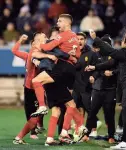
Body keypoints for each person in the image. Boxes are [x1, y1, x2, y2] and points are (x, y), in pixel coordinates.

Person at [89, 12, 126, 149]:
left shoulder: (123, 53)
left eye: (123, 40)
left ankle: (125, 142)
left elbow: (109, 50)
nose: (121, 42)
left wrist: (96, 39)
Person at [32, 14, 87, 145]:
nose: (58, 23)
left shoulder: (59, 38)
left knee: (36, 82)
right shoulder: (66, 38)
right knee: (65, 106)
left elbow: (47, 49)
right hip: (58, 74)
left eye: (59, 21)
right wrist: (68, 56)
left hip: (58, 72)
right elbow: (35, 54)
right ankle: (56, 136)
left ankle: (42, 107)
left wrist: (43, 47)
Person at [12, 34, 56, 144]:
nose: (46, 39)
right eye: (44, 38)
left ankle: (35, 128)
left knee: (38, 110)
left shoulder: (40, 53)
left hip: (35, 87)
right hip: (30, 88)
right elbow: (17, 51)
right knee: (32, 111)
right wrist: (20, 41)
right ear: (35, 43)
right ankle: (32, 131)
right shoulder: (31, 54)